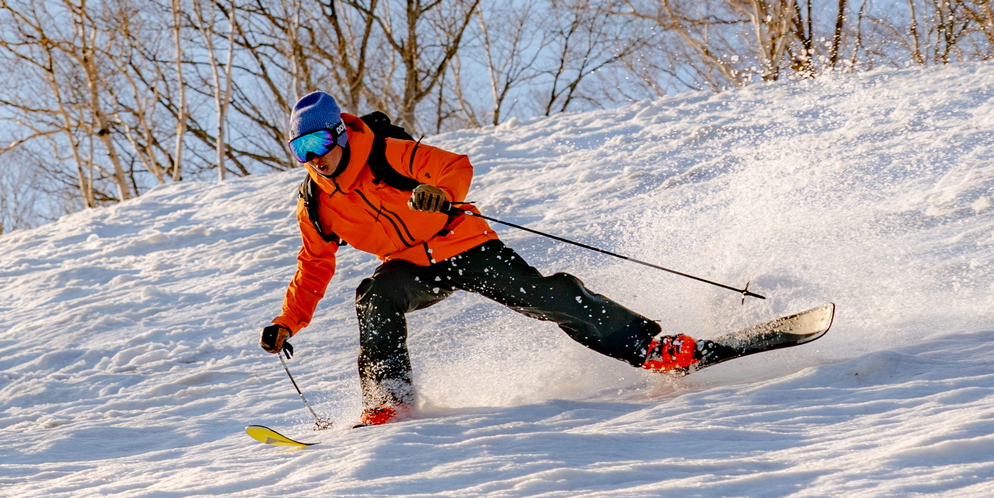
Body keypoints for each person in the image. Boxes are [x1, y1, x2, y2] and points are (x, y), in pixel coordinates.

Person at [260, 91, 709, 425]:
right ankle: (388, 401)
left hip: (462, 243)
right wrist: (288, 321)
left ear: (339, 133)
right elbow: (315, 264)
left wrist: (442, 192)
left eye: (317, 144)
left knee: (544, 295)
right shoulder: (316, 204)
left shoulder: (385, 152)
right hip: (411, 266)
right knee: (375, 296)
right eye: (300, 151)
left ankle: (648, 348)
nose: (313, 159)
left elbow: (455, 165)